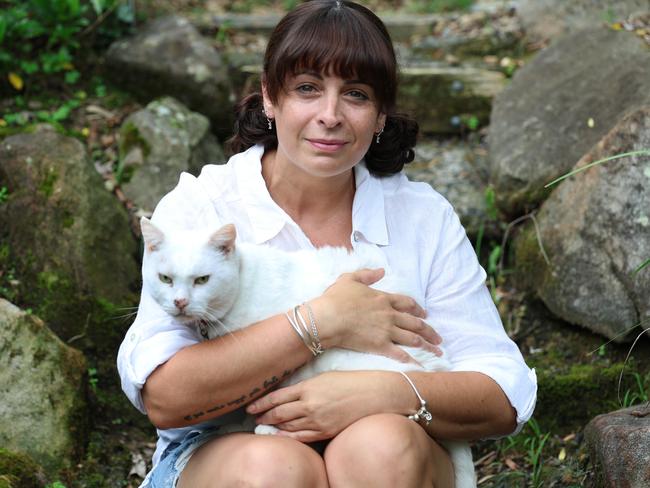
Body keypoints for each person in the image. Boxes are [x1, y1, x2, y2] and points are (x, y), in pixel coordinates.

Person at [117, 1, 537, 486]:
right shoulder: (205, 205)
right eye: (307, 89)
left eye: (356, 94)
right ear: (270, 97)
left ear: (380, 115)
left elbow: (504, 396)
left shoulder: (421, 216)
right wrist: (321, 323)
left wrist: (379, 393)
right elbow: (165, 398)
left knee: (380, 448)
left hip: (391, 436)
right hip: (224, 448)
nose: (330, 115)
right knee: (273, 468)